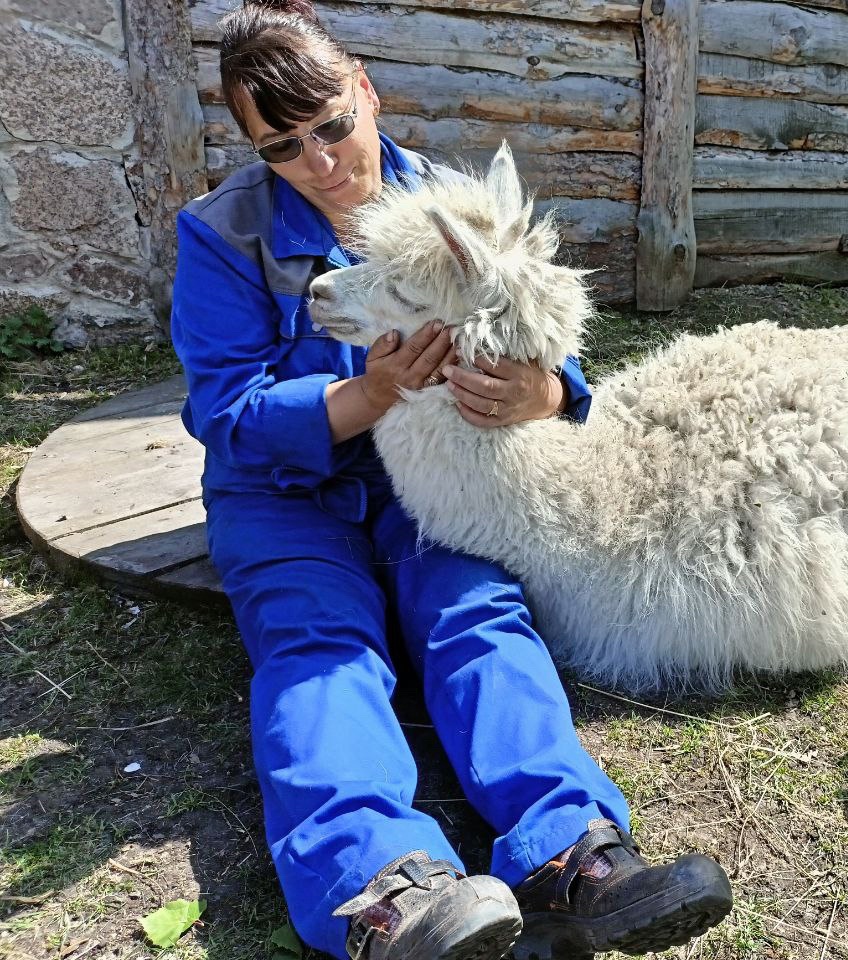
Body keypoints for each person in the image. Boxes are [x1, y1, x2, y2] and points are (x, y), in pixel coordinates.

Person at [168, 1, 733, 958]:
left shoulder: (450, 205)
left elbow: (535, 329)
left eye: (334, 124)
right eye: (281, 146)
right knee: (319, 646)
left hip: (432, 488)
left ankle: (573, 854)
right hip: (285, 497)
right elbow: (226, 415)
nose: (320, 160)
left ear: (368, 93)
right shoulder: (223, 235)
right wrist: (372, 393)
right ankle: (381, 889)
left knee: (476, 616)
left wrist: (547, 390)